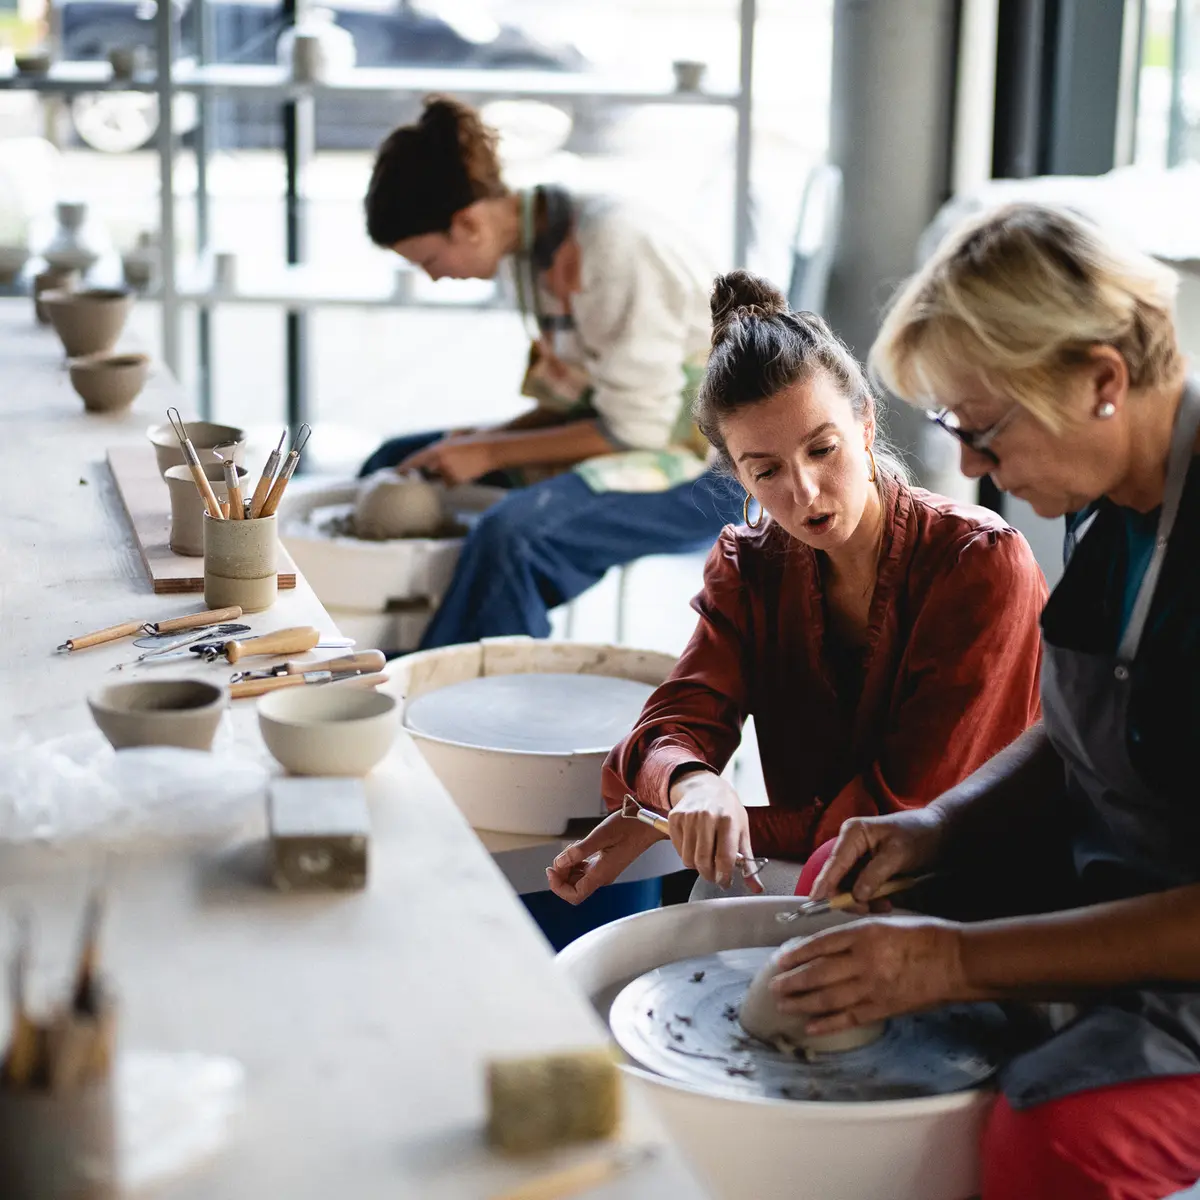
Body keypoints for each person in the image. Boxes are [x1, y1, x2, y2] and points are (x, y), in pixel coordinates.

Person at [773, 203, 1200, 1200]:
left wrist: (955, 967)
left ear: (1104, 380)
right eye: (952, 429)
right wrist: (940, 823)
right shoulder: (1121, 495)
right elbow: (1095, 729)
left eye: (984, 427)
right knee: (845, 919)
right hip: (1123, 878)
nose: (967, 466)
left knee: (1051, 1138)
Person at [546, 270, 1047, 904]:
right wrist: (692, 788)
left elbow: (904, 808)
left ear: (865, 425)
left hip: (974, 888)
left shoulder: (979, 564)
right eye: (767, 470)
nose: (805, 491)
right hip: (822, 877)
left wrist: (669, 826)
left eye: (823, 449)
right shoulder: (749, 567)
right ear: (740, 481)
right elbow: (672, 725)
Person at [361, 95, 742, 650]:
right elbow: (573, 404)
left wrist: (489, 452)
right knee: (395, 461)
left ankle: (464, 689)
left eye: (428, 261)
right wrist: (480, 440)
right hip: (632, 434)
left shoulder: (611, 244)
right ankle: (398, 645)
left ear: (466, 224)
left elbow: (633, 430)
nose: (436, 278)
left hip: (712, 467)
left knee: (514, 534)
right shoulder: (531, 244)